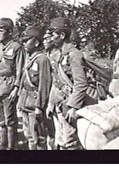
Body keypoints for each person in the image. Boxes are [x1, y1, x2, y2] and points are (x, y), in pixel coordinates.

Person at [46, 17, 96, 150]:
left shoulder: (74, 54)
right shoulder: (59, 54)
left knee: (71, 142)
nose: (51, 38)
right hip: (59, 104)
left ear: (62, 35)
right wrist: (51, 103)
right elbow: (56, 82)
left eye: (53, 34)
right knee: (61, 140)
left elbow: (81, 83)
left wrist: (73, 106)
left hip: (70, 104)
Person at [0, 18, 25, 150]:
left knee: (10, 120)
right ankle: (3, 144)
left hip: (9, 87)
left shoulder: (17, 47)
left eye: (1, 30)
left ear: (9, 32)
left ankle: (11, 147)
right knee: (0, 119)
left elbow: (20, 69)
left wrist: (16, 88)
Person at [18, 25, 52, 150]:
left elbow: (44, 85)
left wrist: (39, 106)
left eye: (27, 40)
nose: (24, 43)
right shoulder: (30, 58)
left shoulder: (42, 60)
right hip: (26, 102)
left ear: (37, 42)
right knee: (28, 135)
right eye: (24, 41)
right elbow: (23, 82)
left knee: (38, 137)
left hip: (35, 104)